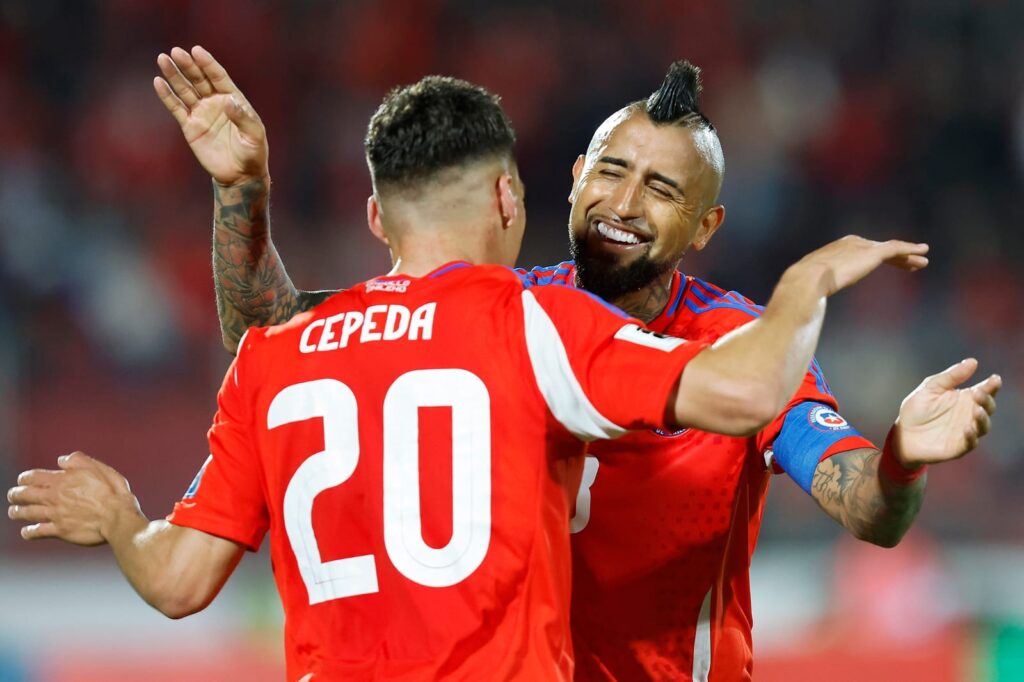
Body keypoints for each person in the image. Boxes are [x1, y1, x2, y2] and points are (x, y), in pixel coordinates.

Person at [7, 48, 932, 682]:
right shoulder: (517, 314)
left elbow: (863, 499)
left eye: (660, 189)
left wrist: (900, 462)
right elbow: (274, 334)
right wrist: (242, 195)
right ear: (553, 182)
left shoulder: (722, 336)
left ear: (705, 225)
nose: (623, 202)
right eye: (610, 171)